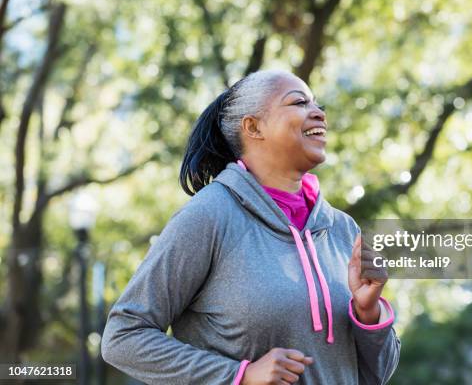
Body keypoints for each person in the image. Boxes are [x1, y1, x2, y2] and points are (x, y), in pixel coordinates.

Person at [101, 69, 401, 384]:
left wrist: (369, 315)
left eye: (317, 104)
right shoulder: (210, 216)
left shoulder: (341, 228)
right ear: (253, 126)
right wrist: (239, 376)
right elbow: (123, 337)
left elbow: (375, 375)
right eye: (299, 102)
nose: (319, 114)